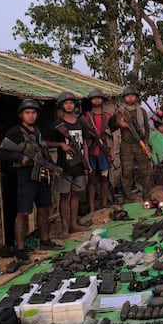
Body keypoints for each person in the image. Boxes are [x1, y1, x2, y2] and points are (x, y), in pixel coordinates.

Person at [0, 99, 63, 263]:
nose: (31, 116)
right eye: (27, 113)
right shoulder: (15, 132)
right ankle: (20, 248)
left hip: (41, 175)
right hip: (26, 177)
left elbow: (44, 153)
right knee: (23, 212)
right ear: (21, 115)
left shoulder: (38, 132)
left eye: (33, 112)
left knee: (43, 209)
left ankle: (45, 240)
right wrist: (20, 157)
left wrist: (54, 168)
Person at [46, 91, 91, 237]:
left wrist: (87, 163)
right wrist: (60, 144)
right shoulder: (57, 124)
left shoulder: (81, 122)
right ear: (61, 106)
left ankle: (73, 224)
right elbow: (46, 142)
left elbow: (84, 143)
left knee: (76, 194)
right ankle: (65, 227)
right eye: (66, 103)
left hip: (79, 163)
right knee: (64, 196)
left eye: (71, 103)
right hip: (64, 164)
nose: (69, 105)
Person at [116, 86, 153, 205]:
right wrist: (120, 123)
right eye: (127, 95)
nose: (130, 97)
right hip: (126, 146)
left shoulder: (141, 111)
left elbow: (146, 129)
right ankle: (128, 198)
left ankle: (147, 196)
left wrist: (146, 143)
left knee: (145, 171)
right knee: (127, 172)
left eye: (132, 95)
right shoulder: (120, 111)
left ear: (136, 97)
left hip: (140, 144)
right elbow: (112, 124)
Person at [82, 88, 113, 212]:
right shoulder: (86, 117)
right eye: (94, 98)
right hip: (91, 152)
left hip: (103, 152)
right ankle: (92, 207)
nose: (97, 100)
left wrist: (111, 151)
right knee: (92, 180)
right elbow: (84, 137)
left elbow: (111, 136)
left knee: (104, 179)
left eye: (99, 98)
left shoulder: (108, 116)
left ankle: (104, 204)